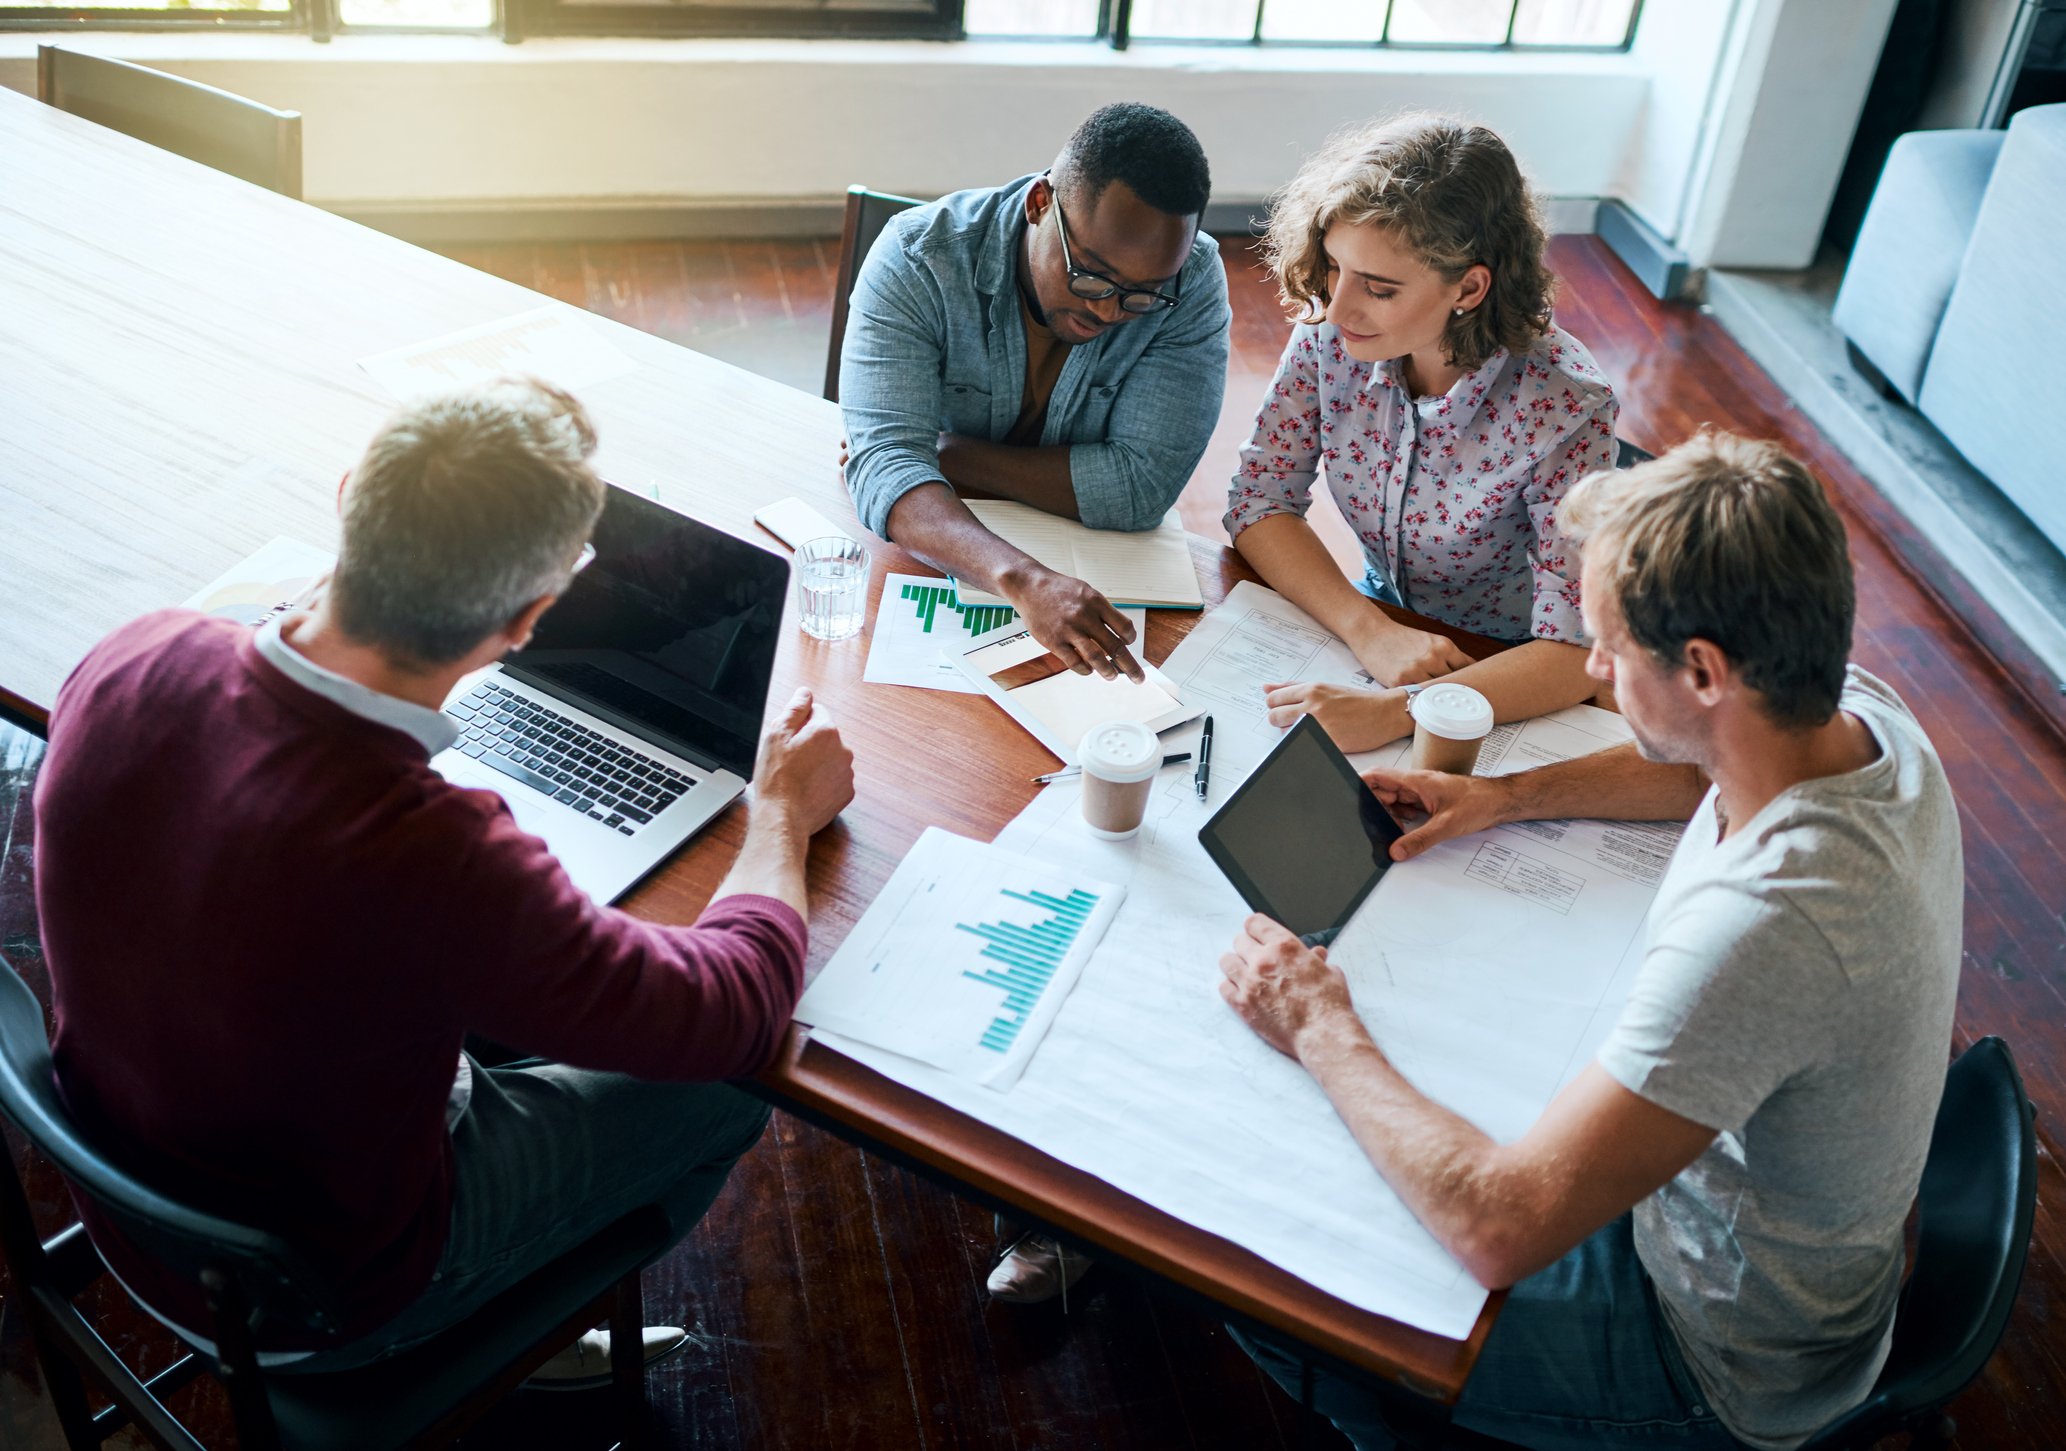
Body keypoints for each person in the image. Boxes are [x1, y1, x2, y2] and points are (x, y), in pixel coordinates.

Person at [33, 378, 856, 1382]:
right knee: (727, 1087)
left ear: (346, 498)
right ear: (532, 617)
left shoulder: (138, 652)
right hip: (313, 1299)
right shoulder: (430, 852)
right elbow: (730, 1009)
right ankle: (498, 1315)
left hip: (129, 1213)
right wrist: (777, 814)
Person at [1218, 432, 1962, 1450]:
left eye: (1607, 646)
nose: (1592, 668)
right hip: (1768, 1235)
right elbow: (1700, 767)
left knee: (1255, 1261)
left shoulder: (1775, 924)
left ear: (1702, 669)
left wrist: (1314, 1020)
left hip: (1705, 1358)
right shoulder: (1851, 713)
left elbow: (1497, 1224)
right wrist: (1501, 796)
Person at [1228, 114, 1617, 752]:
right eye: (1334, 266)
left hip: (1510, 665)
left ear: (1469, 287)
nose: (1339, 304)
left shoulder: (1566, 406)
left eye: (1379, 289)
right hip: (1383, 622)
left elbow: (1573, 647)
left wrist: (1404, 711)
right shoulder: (1331, 331)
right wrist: (1367, 628)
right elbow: (1259, 500)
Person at [840, 100, 1232, 686]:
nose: (1107, 309)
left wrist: (944, 455)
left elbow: (1140, 489)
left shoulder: (1191, 281)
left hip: (1060, 560)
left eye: (1141, 294)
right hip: (921, 573)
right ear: (1040, 203)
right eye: (1091, 273)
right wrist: (1023, 579)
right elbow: (885, 473)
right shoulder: (917, 258)